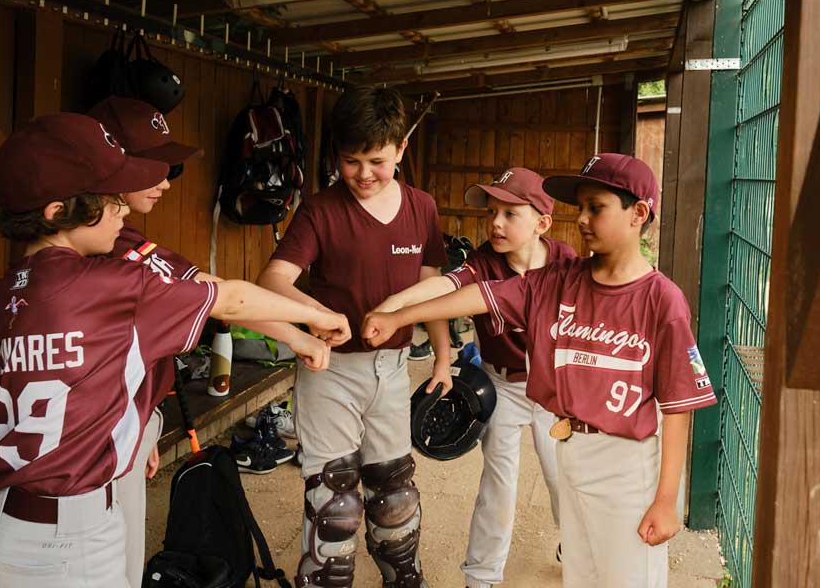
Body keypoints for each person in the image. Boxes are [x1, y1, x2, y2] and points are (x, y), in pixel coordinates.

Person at [0, 113, 349, 588]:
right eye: (108, 201)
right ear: (57, 211)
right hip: (71, 538)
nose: (122, 209)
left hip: (1, 527)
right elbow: (227, 296)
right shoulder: (109, 284)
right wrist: (317, 317)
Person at [364, 154, 718, 588]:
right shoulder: (557, 279)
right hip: (558, 431)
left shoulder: (655, 297)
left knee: (628, 573)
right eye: (580, 207)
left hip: (625, 458)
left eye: (596, 207)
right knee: (577, 564)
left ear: (638, 213)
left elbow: (679, 406)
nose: (583, 218)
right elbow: (474, 296)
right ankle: (483, 575)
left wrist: (667, 498)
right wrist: (398, 316)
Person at [256, 86, 448, 588]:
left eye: (377, 161)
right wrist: (319, 315)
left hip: (393, 368)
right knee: (335, 502)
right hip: (331, 370)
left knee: (394, 495)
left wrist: (444, 358)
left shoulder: (422, 208)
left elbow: (435, 293)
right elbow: (272, 281)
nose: (364, 174)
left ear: (401, 149)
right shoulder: (321, 210)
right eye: (351, 161)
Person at [374, 167, 576, 588]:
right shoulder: (484, 261)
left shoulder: (565, 262)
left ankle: (575, 547)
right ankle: (482, 577)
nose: (496, 223)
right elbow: (443, 289)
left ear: (542, 223)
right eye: (492, 212)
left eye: (510, 213)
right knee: (499, 482)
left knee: (563, 475)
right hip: (502, 382)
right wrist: (392, 309)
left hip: (555, 387)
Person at [86, 96, 211, 588]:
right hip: (98, 440)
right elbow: (223, 298)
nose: (164, 180)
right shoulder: (104, 247)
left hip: (130, 425)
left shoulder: (122, 233)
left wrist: (149, 422)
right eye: (151, 166)